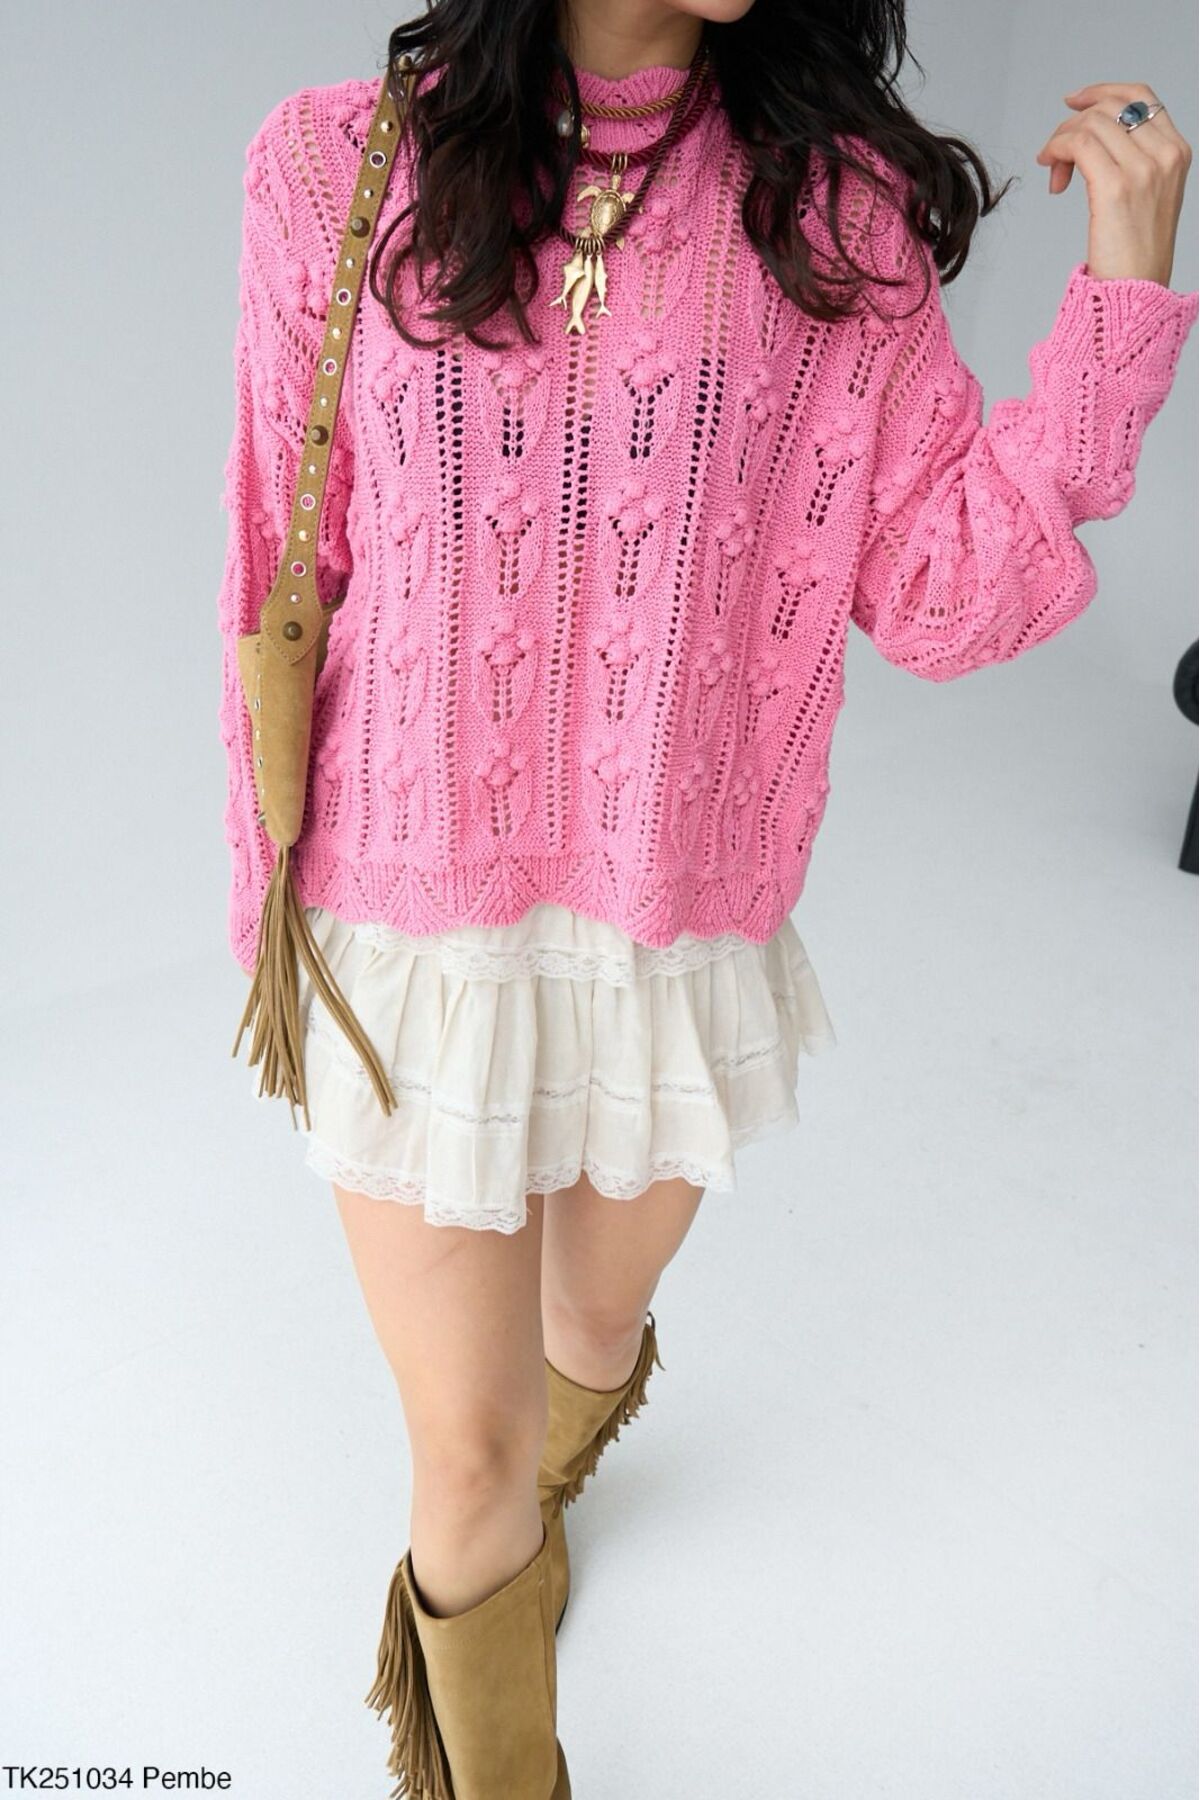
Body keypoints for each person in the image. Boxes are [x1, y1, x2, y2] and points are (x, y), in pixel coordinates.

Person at [215, 1, 1196, 1793]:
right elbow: (279, 554)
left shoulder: (833, 212)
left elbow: (942, 592)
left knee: (586, 1332)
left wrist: (1120, 312)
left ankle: (552, 1479)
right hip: (407, 932)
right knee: (464, 1464)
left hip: (675, 930)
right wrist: (266, 908)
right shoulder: (334, 165)